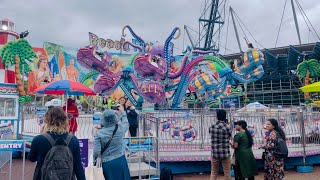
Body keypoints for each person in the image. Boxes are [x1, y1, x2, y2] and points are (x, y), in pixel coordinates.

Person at [28, 107, 85, 180]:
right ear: (65, 120)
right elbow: (78, 166)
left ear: (47, 121)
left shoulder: (39, 139)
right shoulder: (73, 140)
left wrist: (41, 134)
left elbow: (32, 158)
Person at [93, 107, 131, 180]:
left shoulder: (99, 133)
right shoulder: (120, 129)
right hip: (120, 159)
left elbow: (96, 152)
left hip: (107, 162)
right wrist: (123, 112)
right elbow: (126, 123)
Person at [209, 109, 232, 180]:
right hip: (225, 154)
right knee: (227, 173)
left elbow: (211, 134)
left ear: (217, 116)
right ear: (225, 117)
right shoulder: (227, 127)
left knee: (213, 172)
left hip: (215, 153)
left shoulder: (212, 126)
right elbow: (229, 137)